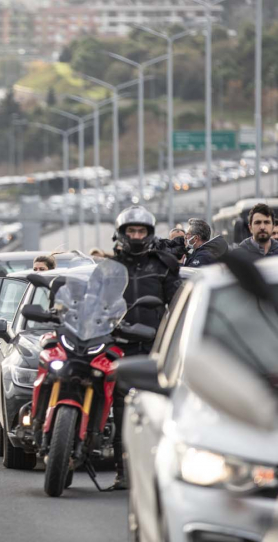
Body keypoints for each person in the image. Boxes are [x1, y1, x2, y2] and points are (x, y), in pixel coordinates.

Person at [111, 205, 181, 490]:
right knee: (120, 411)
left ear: (150, 233)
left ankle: (159, 471)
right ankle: (123, 472)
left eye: (141, 231)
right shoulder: (110, 268)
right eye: (132, 231)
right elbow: (93, 304)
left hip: (154, 348)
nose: (137, 236)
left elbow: (177, 306)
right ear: (122, 233)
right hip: (117, 346)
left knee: (157, 412)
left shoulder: (163, 265)